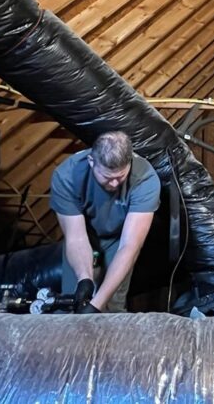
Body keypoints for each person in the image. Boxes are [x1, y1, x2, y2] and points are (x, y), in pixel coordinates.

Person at [49, 130, 160, 313]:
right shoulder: (66, 176)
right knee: (74, 301)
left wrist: (96, 306)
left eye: (120, 177)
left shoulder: (146, 179)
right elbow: (75, 237)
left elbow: (129, 246)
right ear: (92, 163)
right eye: (108, 177)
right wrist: (85, 279)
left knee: (112, 305)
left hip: (120, 239)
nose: (115, 184)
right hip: (85, 234)